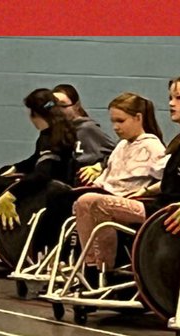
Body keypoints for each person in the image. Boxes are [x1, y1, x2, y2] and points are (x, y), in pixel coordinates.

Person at [91, 76, 180, 302]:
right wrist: (148, 191)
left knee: (93, 202)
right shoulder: (179, 143)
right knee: (90, 202)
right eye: (170, 97)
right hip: (160, 209)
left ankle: (100, 274)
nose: (171, 103)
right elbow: (178, 183)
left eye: (179, 97)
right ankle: (106, 273)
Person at [68, 93, 168, 276]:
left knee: (90, 201)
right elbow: (107, 176)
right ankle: (66, 261)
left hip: (133, 202)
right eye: (113, 121)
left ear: (138, 118)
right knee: (66, 196)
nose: (115, 127)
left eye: (120, 121)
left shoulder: (153, 147)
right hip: (106, 195)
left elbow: (169, 181)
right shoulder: (121, 146)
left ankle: (97, 269)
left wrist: (145, 190)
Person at [0, 89, 77, 245]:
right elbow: (36, 160)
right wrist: (15, 168)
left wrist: (12, 193)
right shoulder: (59, 130)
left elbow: (43, 174)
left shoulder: (50, 138)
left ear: (34, 114)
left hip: (43, 191)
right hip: (50, 187)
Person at [52, 84, 117, 167]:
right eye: (54, 105)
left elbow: (118, 153)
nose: (58, 110)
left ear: (76, 106)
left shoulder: (87, 128)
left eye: (63, 105)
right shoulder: (55, 131)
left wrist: (101, 165)